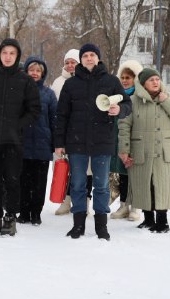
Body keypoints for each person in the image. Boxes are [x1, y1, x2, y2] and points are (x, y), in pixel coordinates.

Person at [54, 43, 131, 241]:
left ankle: (101, 226)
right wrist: (59, 143)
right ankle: (77, 225)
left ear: (98, 58)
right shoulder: (71, 84)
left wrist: (118, 110)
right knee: (78, 184)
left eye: (92, 55)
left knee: (102, 186)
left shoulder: (111, 81)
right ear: (81, 59)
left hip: (102, 141)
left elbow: (127, 104)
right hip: (76, 142)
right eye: (85, 55)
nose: (89, 58)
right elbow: (61, 115)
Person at [0, 39, 41, 236]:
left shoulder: (25, 81)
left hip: (14, 140)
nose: (8, 56)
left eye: (12, 53)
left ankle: (10, 217)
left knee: (12, 180)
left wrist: (18, 126)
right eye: (5, 53)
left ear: (17, 56)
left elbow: (34, 110)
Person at [118, 68, 170, 233]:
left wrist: (166, 101)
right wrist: (124, 150)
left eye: (157, 79)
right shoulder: (132, 101)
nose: (156, 82)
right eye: (151, 80)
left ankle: (162, 222)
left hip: (164, 152)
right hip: (140, 150)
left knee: (162, 186)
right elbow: (124, 125)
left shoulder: (169, 98)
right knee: (143, 184)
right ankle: (148, 219)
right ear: (143, 84)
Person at [51, 48, 91, 216]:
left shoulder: (88, 80)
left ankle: (84, 203)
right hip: (64, 132)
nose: (69, 65)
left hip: (84, 133)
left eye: (73, 62)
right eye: (67, 62)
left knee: (86, 171)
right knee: (64, 168)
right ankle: (66, 201)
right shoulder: (58, 82)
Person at [19, 56, 57, 226]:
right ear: (26, 71)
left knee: (39, 182)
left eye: (38, 70)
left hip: (42, 145)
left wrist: (56, 142)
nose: (34, 73)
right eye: (31, 70)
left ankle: (36, 213)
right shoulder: (18, 91)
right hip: (22, 144)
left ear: (43, 74)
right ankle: (24, 212)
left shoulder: (49, 94)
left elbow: (54, 120)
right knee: (23, 181)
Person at [109, 59, 143, 222]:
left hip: (135, 139)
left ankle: (135, 207)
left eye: (128, 77)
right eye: (122, 77)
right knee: (122, 173)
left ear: (136, 78)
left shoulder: (140, 96)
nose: (124, 80)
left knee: (134, 174)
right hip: (118, 139)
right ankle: (123, 206)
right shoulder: (116, 96)